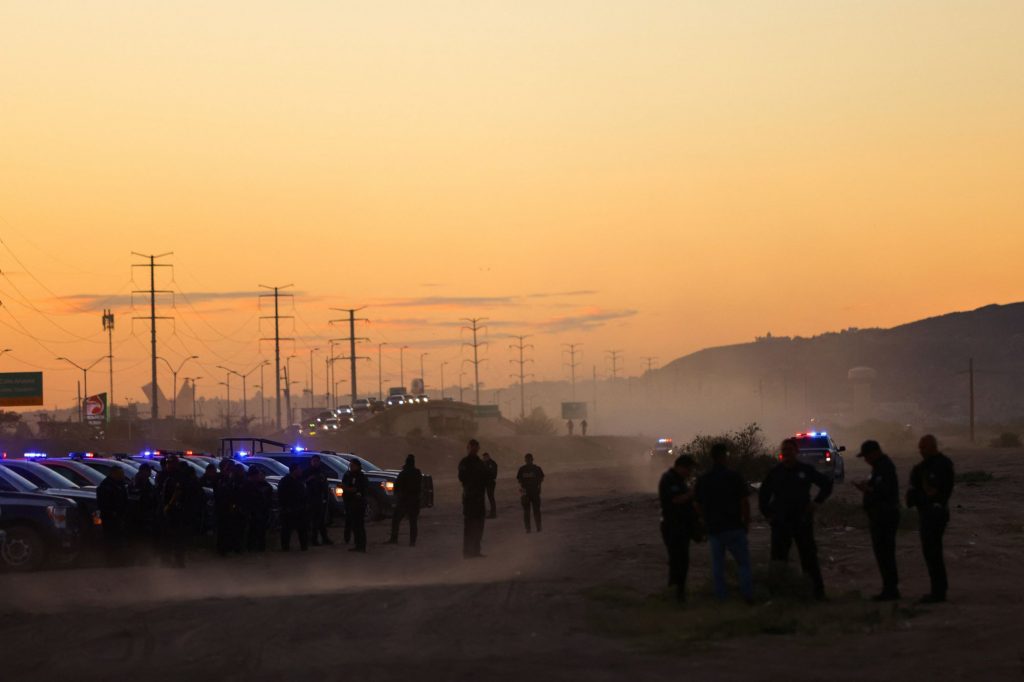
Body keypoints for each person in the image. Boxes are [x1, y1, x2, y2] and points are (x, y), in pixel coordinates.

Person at [758, 438, 833, 600]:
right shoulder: (775, 472)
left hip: (802, 520)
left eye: (789, 450)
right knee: (778, 559)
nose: (786, 453)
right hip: (780, 522)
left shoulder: (805, 470)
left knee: (809, 558)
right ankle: (777, 595)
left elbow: (827, 484)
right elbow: (763, 496)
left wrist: (816, 502)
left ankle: (817, 594)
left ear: (796, 452)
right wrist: (768, 515)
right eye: (784, 450)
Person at [695, 442, 754, 602]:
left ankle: (721, 598)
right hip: (734, 527)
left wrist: (704, 520)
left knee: (718, 567)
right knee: (743, 564)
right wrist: (746, 522)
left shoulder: (704, 479)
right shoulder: (734, 477)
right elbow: (744, 502)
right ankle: (747, 596)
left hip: (714, 529)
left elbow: (697, 504)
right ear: (724, 457)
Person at [907, 434, 955, 603]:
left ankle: (939, 591)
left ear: (933, 446)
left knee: (934, 553)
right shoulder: (921, 468)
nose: (921, 451)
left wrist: (927, 496)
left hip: (936, 514)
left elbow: (942, 491)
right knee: (930, 554)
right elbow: (911, 497)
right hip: (926, 514)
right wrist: (924, 495)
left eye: (924, 447)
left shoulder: (942, 465)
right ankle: (938, 589)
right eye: (920, 448)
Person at [853, 440, 901, 601]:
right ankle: (889, 588)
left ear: (874, 453)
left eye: (866, 456)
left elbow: (884, 492)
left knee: (885, 553)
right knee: (883, 554)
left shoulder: (885, 467)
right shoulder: (879, 468)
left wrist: (868, 490)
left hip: (885, 517)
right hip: (879, 516)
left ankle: (891, 590)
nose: (865, 460)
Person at [659, 454, 697, 602]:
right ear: (681, 467)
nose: (690, 472)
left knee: (682, 561)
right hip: (672, 527)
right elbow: (675, 500)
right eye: (689, 469)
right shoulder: (669, 479)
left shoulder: (680, 480)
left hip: (682, 526)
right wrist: (692, 493)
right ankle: (675, 593)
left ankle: (678, 592)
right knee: (677, 561)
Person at [458, 439, 488, 558]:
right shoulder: (465, 462)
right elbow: (462, 478)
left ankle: (475, 550)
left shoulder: (479, 463)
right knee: (470, 526)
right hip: (470, 498)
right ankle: (468, 552)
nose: (475, 450)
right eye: (473, 447)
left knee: (478, 526)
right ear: (469, 448)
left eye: (476, 448)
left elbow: (486, 478)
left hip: (478, 498)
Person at [387, 454, 422, 546]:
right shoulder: (417, 472)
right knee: (413, 522)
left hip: (404, 501)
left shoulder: (403, 473)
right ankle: (412, 542)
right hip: (414, 500)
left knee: (396, 520)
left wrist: (398, 496)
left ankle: (394, 539)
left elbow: (397, 487)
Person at [96, 466, 129, 566]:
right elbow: (103, 503)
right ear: (113, 474)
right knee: (111, 540)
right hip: (110, 518)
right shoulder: (106, 486)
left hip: (119, 517)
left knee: (119, 540)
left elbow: (124, 500)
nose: (122, 476)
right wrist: (112, 513)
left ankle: (119, 560)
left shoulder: (120, 484)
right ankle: (111, 560)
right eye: (120, 474)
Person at [278, 464, 310, 551]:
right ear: (294, 470)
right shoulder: (285, 481)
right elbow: (281, 495)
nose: (301, 471)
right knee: (287, 530)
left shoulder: (300, 480)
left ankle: (304, 546)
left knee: (302, 529)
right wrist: (285, 507)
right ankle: (285, 547)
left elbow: (303, 493)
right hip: (289, 509)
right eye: (299, 469)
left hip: (300, 509)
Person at [241, 467, 274, 552]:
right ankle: (251, 547)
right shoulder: (248, 485)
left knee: (260, 531)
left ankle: (259, 547)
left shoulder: (264, 485)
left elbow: (268, 499)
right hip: (253, 512)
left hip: (261, 511)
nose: (259, 477)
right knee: (252, 531)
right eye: (258, 475)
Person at [304, 455, 333, 546]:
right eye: (314, 461)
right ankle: (313, 540)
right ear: (311, 462)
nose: (316, 463)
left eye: (317, 461)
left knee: (320, 520)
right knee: (313, 521)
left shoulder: (321, 472)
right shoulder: (307, 472)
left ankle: (324, 538)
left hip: (320, 498)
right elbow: (303, 484)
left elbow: (324, 484)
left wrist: (325, 495)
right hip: (310, 499)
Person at [342, 459, 369, 552]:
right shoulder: (349, 475)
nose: (351, 467)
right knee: (354, 525)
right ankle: (358, 545)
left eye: (353, 465)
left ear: (357, 466)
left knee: (359, 525)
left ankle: (361, 546)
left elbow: (357, 489)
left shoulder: (360, 476)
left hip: (358, 504)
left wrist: (346, 489)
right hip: (350, 503)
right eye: (350, 465)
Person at [517, 453, 545, 533]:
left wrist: (522, 491)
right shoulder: (536, 468)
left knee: (528, 511)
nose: (528, 461)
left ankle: (529, 528)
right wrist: (539, 487)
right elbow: (541, 479)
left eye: (528, 459)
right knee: (534, 511)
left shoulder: (523, 469)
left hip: (529, 492)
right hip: (532, 492)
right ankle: (537, 527)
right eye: (528, 459)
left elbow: (519, 481)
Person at [481, 452, 498, 519]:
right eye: (484, 457)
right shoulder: (483, 463)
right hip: (484, 482)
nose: (484, 458)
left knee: (491, 497)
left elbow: (493, 474)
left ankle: (493, 513)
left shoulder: (492, 463)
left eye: (485, 457)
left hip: (490, 483)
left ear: (488, 457)